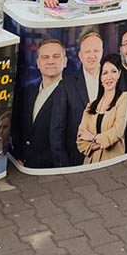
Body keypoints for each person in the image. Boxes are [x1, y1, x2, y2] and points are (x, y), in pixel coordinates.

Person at [52, 32, 104, 167]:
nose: (92, 56)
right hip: (77, 160)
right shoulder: (66, 85)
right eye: (87, 51)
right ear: (80, 56)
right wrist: (64, 165)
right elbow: (57, 130)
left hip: (109, 155)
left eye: (96, 51)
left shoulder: (114, 79)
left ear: (102, 52)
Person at [14, 39, 67, 168]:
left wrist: (30, 164)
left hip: (49, 170)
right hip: (20, 164)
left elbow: (68, 140)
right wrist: (19, 157)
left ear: (65, 62)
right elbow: (17, 127)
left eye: (56, 56)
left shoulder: (71, 95)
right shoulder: (27, 92)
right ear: (38, 63)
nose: (50, 61)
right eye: (45, 57)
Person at [76, 55, 127, 164]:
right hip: (90, 163)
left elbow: (118, 132)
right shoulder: (90, 106)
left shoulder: (123, 98)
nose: (109, 77)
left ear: (119, 74)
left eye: (113, 71)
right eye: (105, 73)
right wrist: (103, 141)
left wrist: (92, 137)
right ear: (100, 78)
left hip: (113, 162)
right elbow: (80, 142)